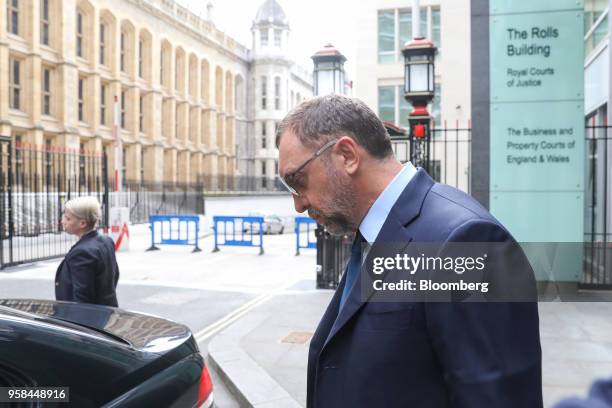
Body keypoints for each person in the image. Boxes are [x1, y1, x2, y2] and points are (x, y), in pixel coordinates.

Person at [276, 95, 542, 407]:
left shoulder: (468, 241)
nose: (298, 204)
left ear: (347, 155)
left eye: (298, 181)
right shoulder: (372, 231)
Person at [55, 196, 119, 307]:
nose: (63, 221)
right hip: (108, 310)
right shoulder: (106, 241)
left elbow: (82, 297)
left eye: (68, 219)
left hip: (87, 318)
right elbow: (114, 276)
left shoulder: (81, 253)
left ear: (82, 223)